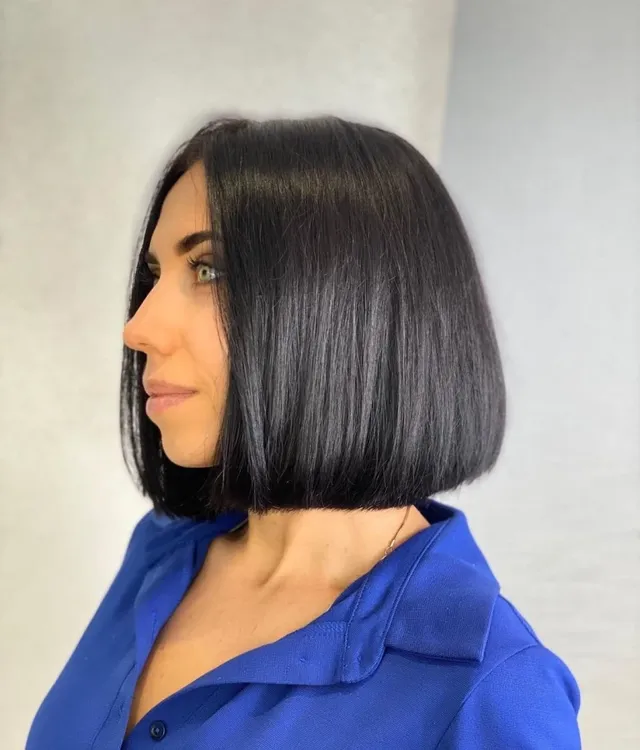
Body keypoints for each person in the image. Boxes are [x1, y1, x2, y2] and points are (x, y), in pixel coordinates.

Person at [26, 115, 581, 749]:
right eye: (155, 275)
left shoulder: (490, 693)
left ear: (351, 308)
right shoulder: (163, 553)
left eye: (208, 270)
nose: (139, 327)